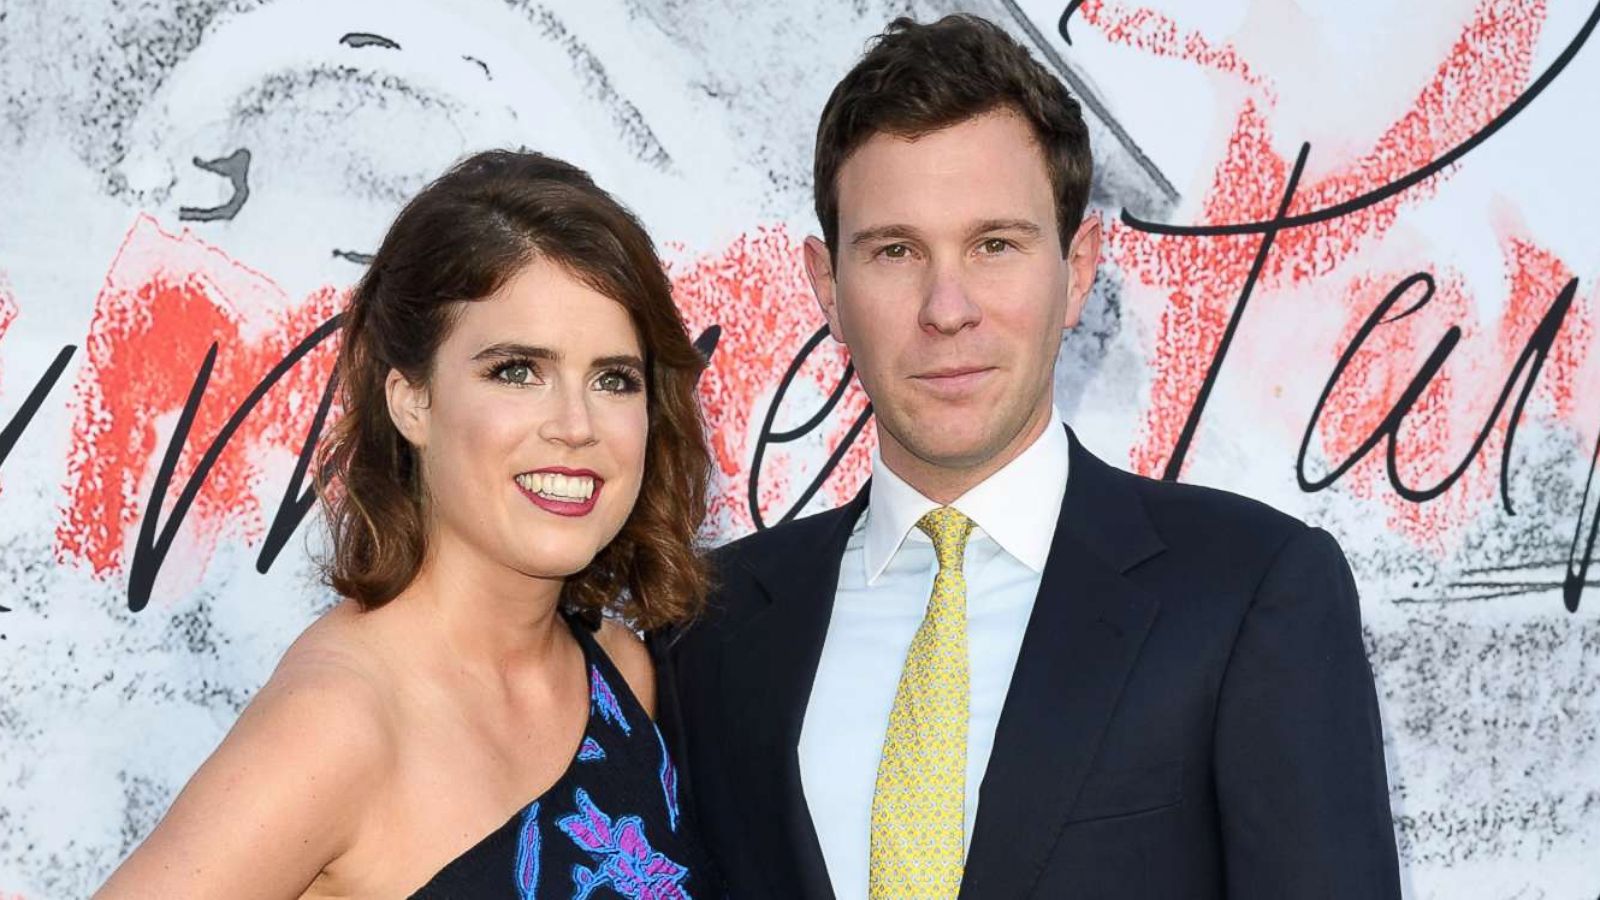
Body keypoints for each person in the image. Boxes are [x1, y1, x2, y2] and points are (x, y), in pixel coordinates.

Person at [660, 15, 1403, 899]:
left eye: (995, 245)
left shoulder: (1250, 592)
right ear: (829, 286)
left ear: (1078, 266)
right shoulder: (709, 627)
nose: (947, 308)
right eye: (895, 251)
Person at [99, 150, 716, 899]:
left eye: (614, 379)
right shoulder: (338, 723)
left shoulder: (620, 673)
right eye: (517, 370)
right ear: (411, 400)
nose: (576, 426)